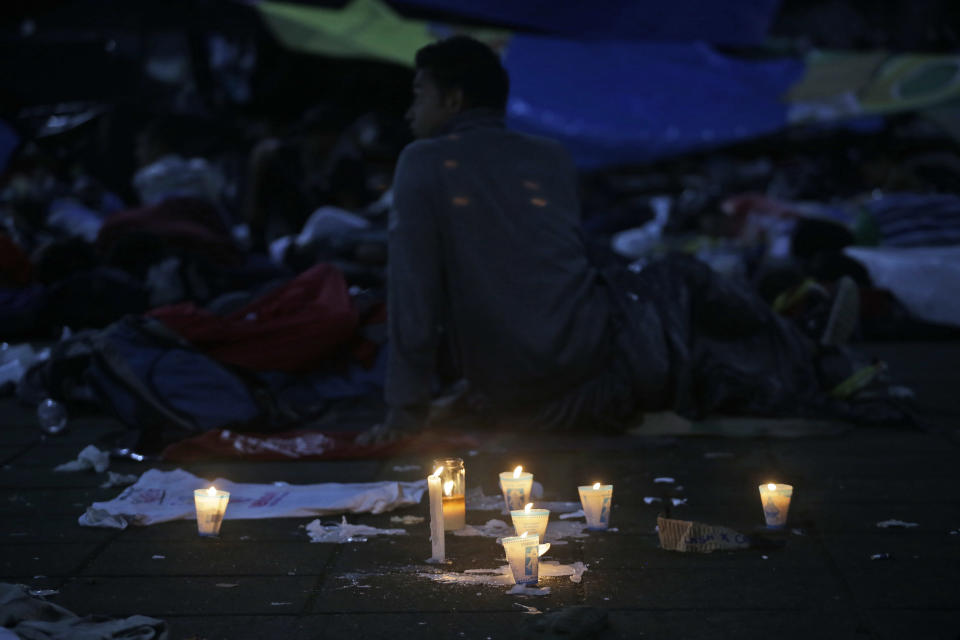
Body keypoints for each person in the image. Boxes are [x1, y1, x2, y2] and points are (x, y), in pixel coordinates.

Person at [358, 36, 877, 445]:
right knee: (681, 286)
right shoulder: (550, 156)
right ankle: (809, 348)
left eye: (418, 95)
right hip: (588, 352)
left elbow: (413, 296)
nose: (410, 112)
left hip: (519, 382)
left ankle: (807, 344)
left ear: (451, 100)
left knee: (683, 332)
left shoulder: (422, 162)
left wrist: (405, 411)